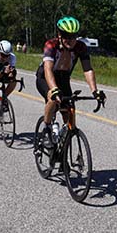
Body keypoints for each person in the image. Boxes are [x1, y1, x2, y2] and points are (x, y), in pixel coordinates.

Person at [36, 16, 106, 146]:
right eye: (66, 36)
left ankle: (64, 151)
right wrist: (54, 90)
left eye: (73, 36)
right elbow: (48, 70)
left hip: (63, 78)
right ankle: (46, 128)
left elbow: (88, 69)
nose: (70, 40)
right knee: (53, 99)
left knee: (70, 111)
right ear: (59, 35)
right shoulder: (51, 45)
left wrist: (95, 91)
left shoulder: (80, 47)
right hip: (45, 77)